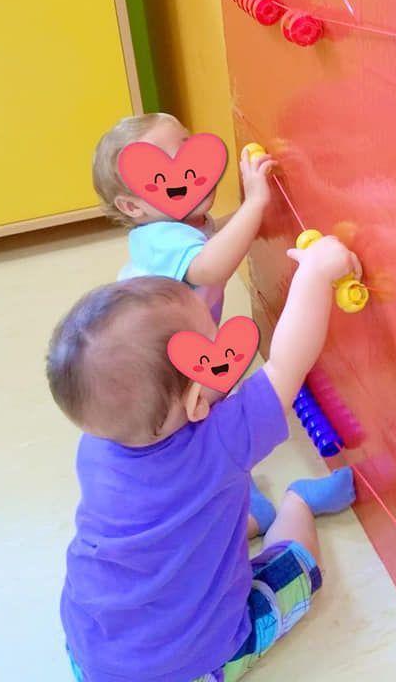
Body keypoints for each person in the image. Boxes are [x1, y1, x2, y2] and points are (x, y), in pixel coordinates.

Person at [47, 234, 358, 682]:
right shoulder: (223, 441)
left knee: (178, 527)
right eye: (212, 354)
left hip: (93, 655)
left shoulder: (97, 445)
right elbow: (288, 363)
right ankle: (297, 505)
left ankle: (251, 515)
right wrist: (315, 272)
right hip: (197, 664)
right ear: (196, 403)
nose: (225, 355)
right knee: (300, 570)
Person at [92, 111, 276, 537]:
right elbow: (211, 266)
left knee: (202, 421)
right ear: (133, 205)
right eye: (166, 169)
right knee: (191, 428)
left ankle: (218, 491)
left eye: (191, 153)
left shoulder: (184, 221)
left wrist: (251, 217)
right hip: (156, 365)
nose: (193, 173)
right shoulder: (159, 238)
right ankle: (209, 514)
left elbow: (215, 242)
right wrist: (256, 204)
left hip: (183, 349)